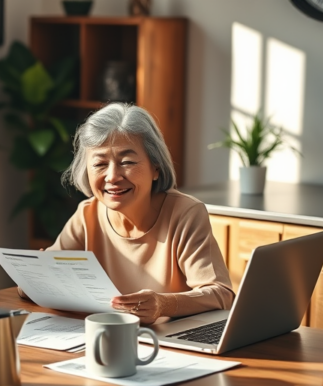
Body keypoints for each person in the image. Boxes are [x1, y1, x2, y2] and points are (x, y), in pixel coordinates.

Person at [26, 103, 234, 324]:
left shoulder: (185, 214)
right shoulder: (87, 214)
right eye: (100, 164)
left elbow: (220, 294)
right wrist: (36, 276)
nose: (112, 176)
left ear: (156, 168)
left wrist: (164, 304)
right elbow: (38, 282)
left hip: (164, 339)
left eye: (127, 162)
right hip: (103, 337)